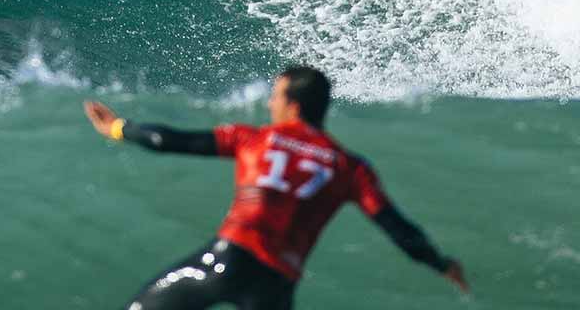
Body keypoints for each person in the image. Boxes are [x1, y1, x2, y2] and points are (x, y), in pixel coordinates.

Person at [82, 66, 469, 309]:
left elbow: (169, 140)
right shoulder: (350, 168)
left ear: (294, 106)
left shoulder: (255, 140)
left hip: (228, 261)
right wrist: (442, 264)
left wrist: (117, 127)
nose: (270, 103)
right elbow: (399, 230)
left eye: (276, 95)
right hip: (277, 287)